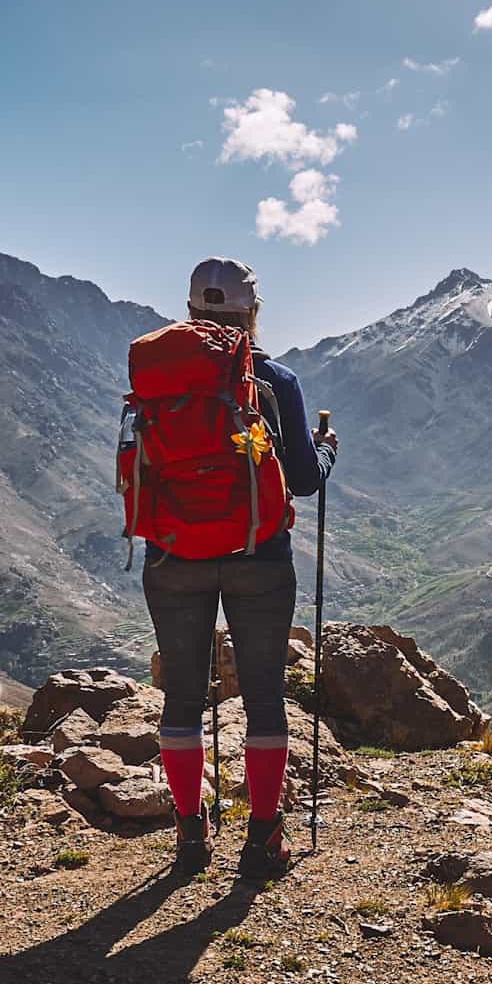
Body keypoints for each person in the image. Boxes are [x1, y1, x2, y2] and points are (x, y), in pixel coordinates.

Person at [143, 257, 335, 878]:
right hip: (258, 557)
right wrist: (327, 452)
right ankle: (262, 838)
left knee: (181, 697)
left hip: (174, 554)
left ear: (192, 311)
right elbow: (303, 481)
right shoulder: (276, 381)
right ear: (252, 312)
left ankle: (189, 834)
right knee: (262, 697)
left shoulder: (159, 381)